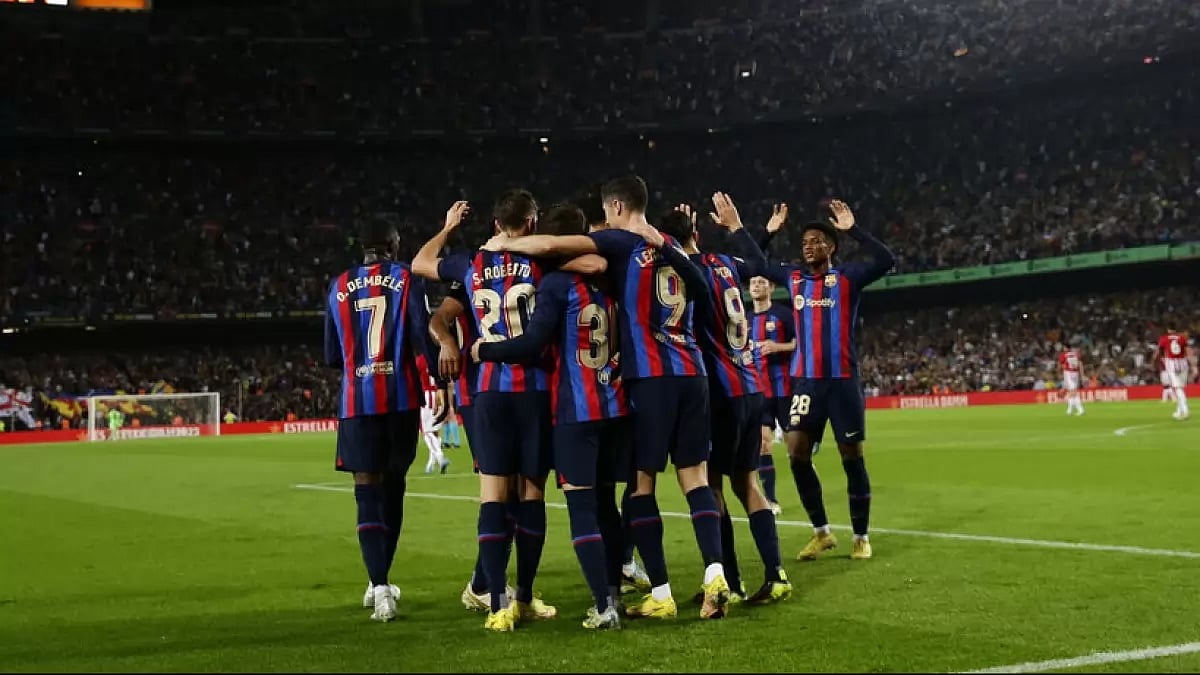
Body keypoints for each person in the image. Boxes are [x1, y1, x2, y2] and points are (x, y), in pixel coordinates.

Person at [479, 175, 732, 620]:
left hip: (648, 379)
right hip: (694, 374)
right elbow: (705, 294)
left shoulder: (617, 242)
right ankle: (715, 573)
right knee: (696, 479)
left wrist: (503, 245)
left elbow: (554, 249)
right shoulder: (672, 244)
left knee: (640, 487)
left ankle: (661, 592)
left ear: (615, 207)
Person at [413, 192, 564, 632]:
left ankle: (497, 602)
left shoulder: (470, 264)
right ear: (533, 223)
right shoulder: (546, 261)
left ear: (496, 225)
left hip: (489, 392)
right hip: (536, 389)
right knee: (532, 496)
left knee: (493, 497)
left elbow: (421, 264)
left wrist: (448, 227)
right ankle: (525, 597)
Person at [474, 202, 628, 630]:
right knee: (605, 505)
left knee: (571, 506)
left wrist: (480, 350)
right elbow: (595, 258)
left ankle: (598, 605)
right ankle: (614, 589)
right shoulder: (613, 276)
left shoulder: (552, 282)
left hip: (570, 408)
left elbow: (533, 341)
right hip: (615, 405)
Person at [735, 198, 895, 562]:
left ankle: (860, 535)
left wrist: (853, 229)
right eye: (805, 242)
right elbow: (750, 266)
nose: (809, 246)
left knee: (851, 456)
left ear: (831, 247)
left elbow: (885, 260)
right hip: (805, 384)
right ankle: (821, 532)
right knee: (795, 453)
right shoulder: (792, 278)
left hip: (842, 382)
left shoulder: (848, 277)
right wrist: (766, 233)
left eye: (817, 241)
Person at [659, 201, 792, 606]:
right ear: (697, 234)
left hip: (719, 392)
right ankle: (776, 575)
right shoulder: (726, 262)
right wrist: (737, 225)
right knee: (748, 482)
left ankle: (729, 583)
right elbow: (757, 260)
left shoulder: (681, 274)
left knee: (711, 485)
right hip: (752, 384)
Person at [323, 217, 441, 622]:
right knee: (394, 489)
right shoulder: (407, 278)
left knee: (365, 492)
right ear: (394, 245)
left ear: (362, 248)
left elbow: (332, 356)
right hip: (401, 400)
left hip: (357, 402)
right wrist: (437, 384)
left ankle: (379, 586)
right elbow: (420, 337)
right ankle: (381, 582)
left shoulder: (338, 285)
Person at [1156, 329, 1191, 420]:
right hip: (1183, 363)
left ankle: (1185, 410)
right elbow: (1186, 351)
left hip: (1172, 364)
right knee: (1180, 388)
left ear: (1168, 329)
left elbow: (1159, 351)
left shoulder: (1164, 338)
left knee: (1177, 389)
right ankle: (1179, 412)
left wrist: (1159, 360)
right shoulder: (1182, 338)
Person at [1058, 347, 1085, 416]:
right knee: (1072, 391)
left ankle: (1079, 409)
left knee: (1072, 392)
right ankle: (1070, 410)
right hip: (1075, 373)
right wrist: (1082, 375)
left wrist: (1059, 373)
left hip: (1068, 373)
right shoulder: (1076, 354)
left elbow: (1061, 365)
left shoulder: (1063, 355)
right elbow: (1080, 364)